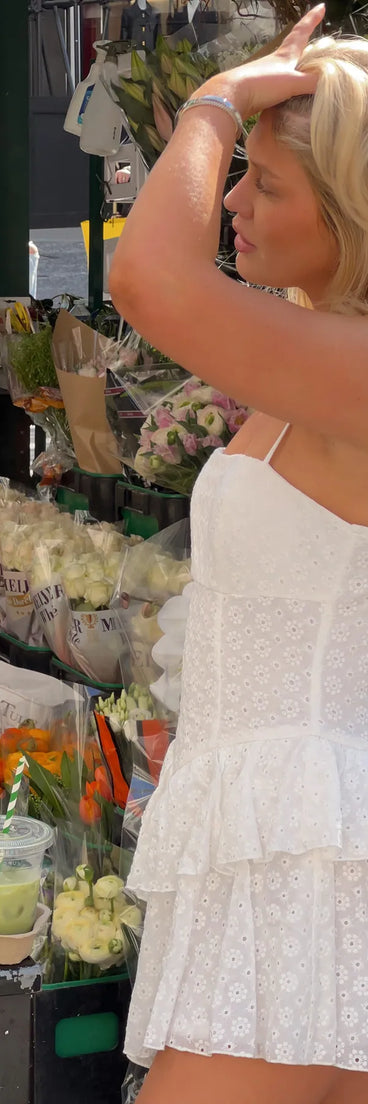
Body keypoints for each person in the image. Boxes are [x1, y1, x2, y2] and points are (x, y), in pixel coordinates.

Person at [109, 7, 368, 1102]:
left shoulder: (351, 368)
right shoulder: (320, 346)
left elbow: (148, 281)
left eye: (262, 184)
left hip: (301, 856)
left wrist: (222, 101)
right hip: (278, 834)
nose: (227, 203)